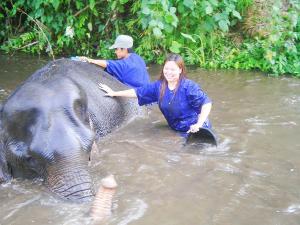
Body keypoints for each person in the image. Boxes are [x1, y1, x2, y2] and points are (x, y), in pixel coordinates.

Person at [99, 53, 212, 135]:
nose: (169, 72)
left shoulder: (189, 86)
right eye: (166, 69)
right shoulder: (159, 86)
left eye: (173, 69)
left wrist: (199, 124)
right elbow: (138, 92)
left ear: (180, 70)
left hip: (198, 129)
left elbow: (206, 103)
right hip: (176, 129)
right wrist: (114, 93)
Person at [79, 34, 150, 88]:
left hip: (136, 100)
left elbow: (108, 64)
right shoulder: (138, 58)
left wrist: (89, 60)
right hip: (147, 97)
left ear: (124, 49)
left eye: (116, 49)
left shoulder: (123, 65)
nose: (115, 52)